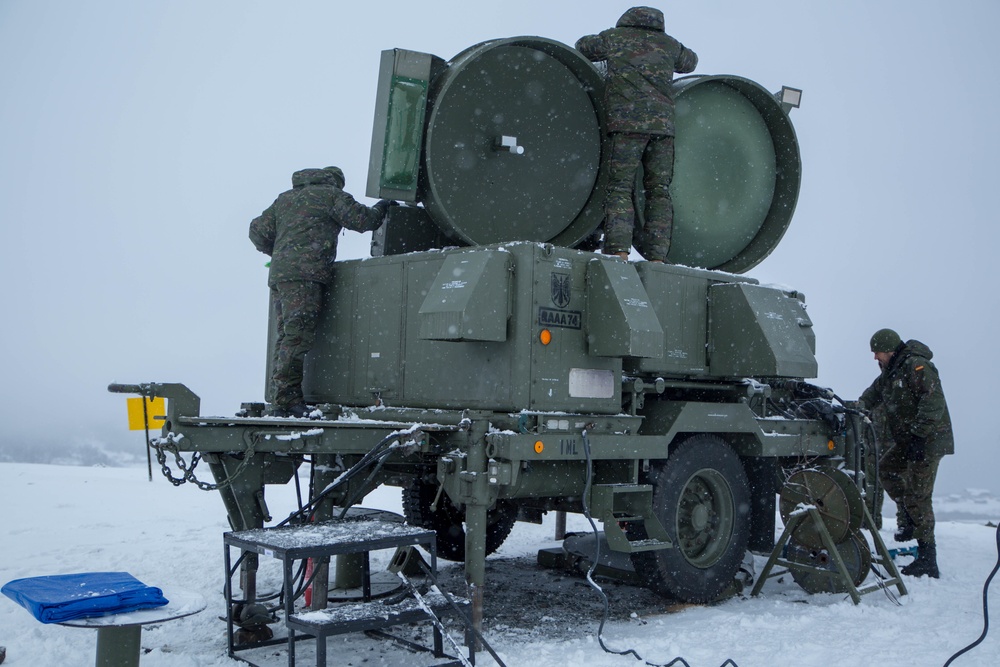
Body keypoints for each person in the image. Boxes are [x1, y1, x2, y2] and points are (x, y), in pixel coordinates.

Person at [249, 167, 393, 418]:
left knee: (286, 336)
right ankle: (287, 399)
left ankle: (280, 395)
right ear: (336, 182)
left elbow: (257, 231)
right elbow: (363, 221)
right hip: (306, 275)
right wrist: (382, 207)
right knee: (297, 336)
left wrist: (282, 252)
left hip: (282, 276)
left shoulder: (285, 199)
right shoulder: (331, 195)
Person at [575, 6, 697, 262]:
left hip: (626, 125)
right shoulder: (668, 44)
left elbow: (584, 47)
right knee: (658, 190)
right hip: (662, 130)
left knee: (620, 188)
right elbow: (691, 61)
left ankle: (618, 250)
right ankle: (657, 256)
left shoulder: (615, 38)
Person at [860, 328, 954, 578]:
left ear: (889, 350)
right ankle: (913, 516)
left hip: (927, 440)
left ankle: (928, 558)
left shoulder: (916, 366)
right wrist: (857, 409)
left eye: (877, 353)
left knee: (919, 496)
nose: (875, 358)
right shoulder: (891, 372)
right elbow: (872, 394)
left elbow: (933, 401)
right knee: (887, 470)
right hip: (909, 440)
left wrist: (919, 435)